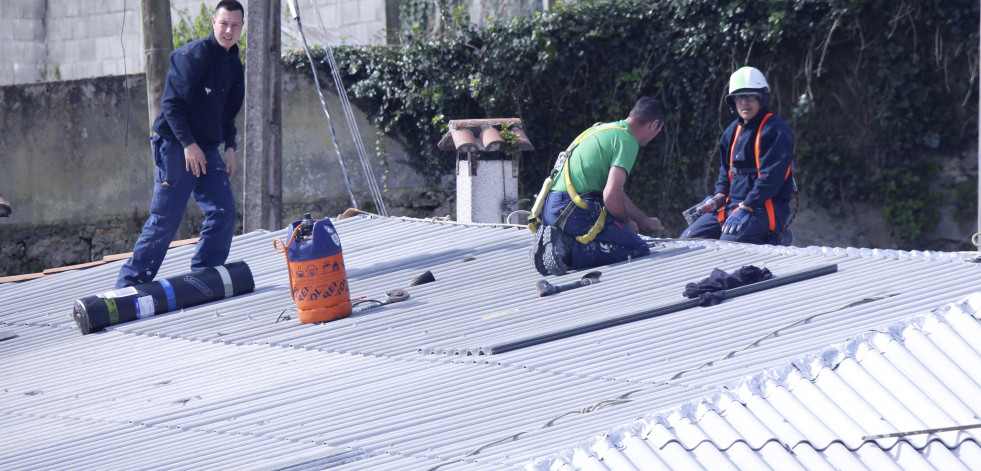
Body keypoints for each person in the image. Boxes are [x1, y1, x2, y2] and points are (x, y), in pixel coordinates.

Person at [116, 0, 245, 288]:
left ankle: (205, 275)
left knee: (224, 211)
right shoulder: (192, 56)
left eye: (235, 25)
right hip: (176, 144)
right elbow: (171, 106)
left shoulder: (235, 67)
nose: (228, 30)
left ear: (241, 28)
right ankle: (129, 286)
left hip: (208, 149)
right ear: (214, 22)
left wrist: (231, 148)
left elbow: (228, 115)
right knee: (165, 220)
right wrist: (189, 145)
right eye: (224, 23)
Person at [531, 96, 666, 276]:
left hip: (551, 210)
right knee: (637, 247)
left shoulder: (603, 129)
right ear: (654, 124)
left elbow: (615, 191)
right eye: (658, 132)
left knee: (619, 236)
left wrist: (643, 220)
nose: (654, 137)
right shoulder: (627, 140)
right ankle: (566, 249)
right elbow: (610, 195)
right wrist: (625, 222)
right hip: (572, 211)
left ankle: (562, 240)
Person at [680, 66, 795, 245]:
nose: (744, 102)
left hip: (763, 207)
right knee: (687, 241)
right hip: (731, 206)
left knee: (729, 245)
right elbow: (725, 170)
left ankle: (774, 238)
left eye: (750, 97)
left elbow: (772, 177)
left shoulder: (775, 130)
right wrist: (719, 195)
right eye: (739, 98)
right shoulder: (732, 131)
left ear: (761, 98)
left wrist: (748, 206)